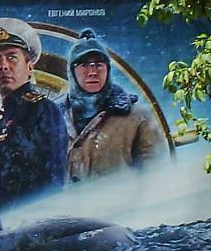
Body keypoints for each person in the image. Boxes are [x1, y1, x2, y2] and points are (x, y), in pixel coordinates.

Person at [0, 17, 69, 209]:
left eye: (11, 57)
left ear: (30, 67)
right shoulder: (0, 120)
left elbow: (52, 184)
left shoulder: (43, 110)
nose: (3, 65)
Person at [60, 29, 165, 181]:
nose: (92, 72)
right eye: (84, 65)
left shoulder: (137, 117)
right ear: (71, 71)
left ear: (108, 70)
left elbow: (158, 174)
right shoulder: (50, 116)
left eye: (98, 65)